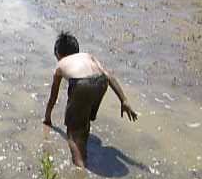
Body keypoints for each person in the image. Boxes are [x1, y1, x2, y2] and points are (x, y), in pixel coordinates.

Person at [43, 32, 138, 167]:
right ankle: (84, 149)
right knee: (84, 118)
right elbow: (108, 76)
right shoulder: (88, 56)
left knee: (72, 134)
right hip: (101, 82)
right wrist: (124, 100)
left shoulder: (60, 65)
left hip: (82, 84)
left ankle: (80, 169)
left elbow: (53, 96)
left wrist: (47, 118)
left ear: (58, 54)